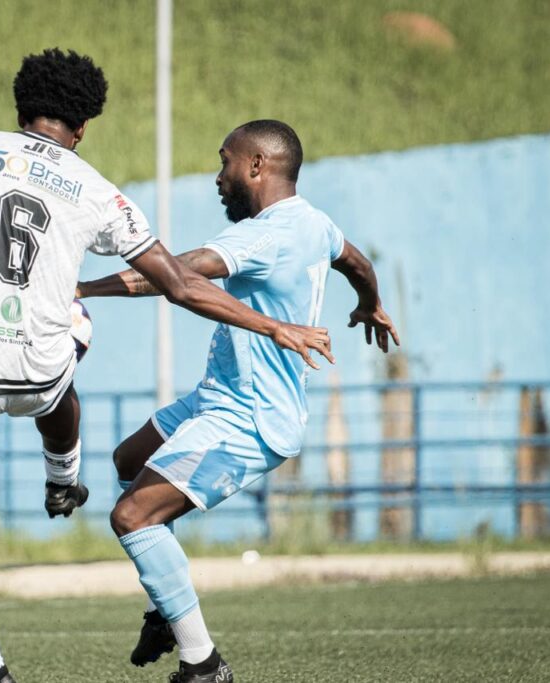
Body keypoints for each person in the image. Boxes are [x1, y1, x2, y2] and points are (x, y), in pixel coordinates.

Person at [0, 49, 332, 682]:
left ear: (21, 108)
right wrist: (274, 324)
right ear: (83, 125)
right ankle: (63, 474)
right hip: (41, 372)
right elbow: (178, 284)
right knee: (65, 356)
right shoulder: (98, 191)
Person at [77, 119, 400, 683]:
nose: (218, 176)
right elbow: (358, 263)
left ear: (256, 165)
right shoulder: (315, 222)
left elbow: (172, 276)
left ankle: (203, 664)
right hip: (218, 399)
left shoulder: (263, 236)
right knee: (129, 459)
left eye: (225, 161)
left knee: (131, 516)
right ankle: (164, 611)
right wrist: (370, 303)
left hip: (249, 418)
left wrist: (81, 288)